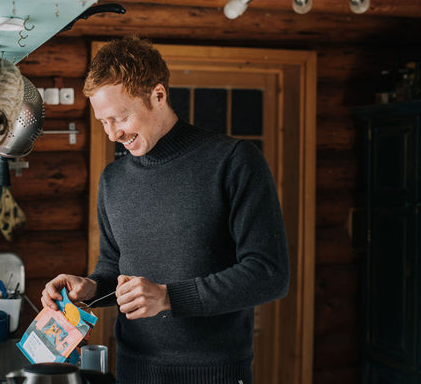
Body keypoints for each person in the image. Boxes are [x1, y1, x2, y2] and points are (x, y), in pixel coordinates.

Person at [41, 36, 289, 384]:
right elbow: (114, 269)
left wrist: (169, 297)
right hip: (133, 370)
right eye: (102, 121)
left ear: (158, 95)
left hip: (215, 373)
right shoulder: (113, 179)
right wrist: (91, 288)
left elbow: (269, 274)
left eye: (120, 117)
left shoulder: (233, 162)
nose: (112, 134)